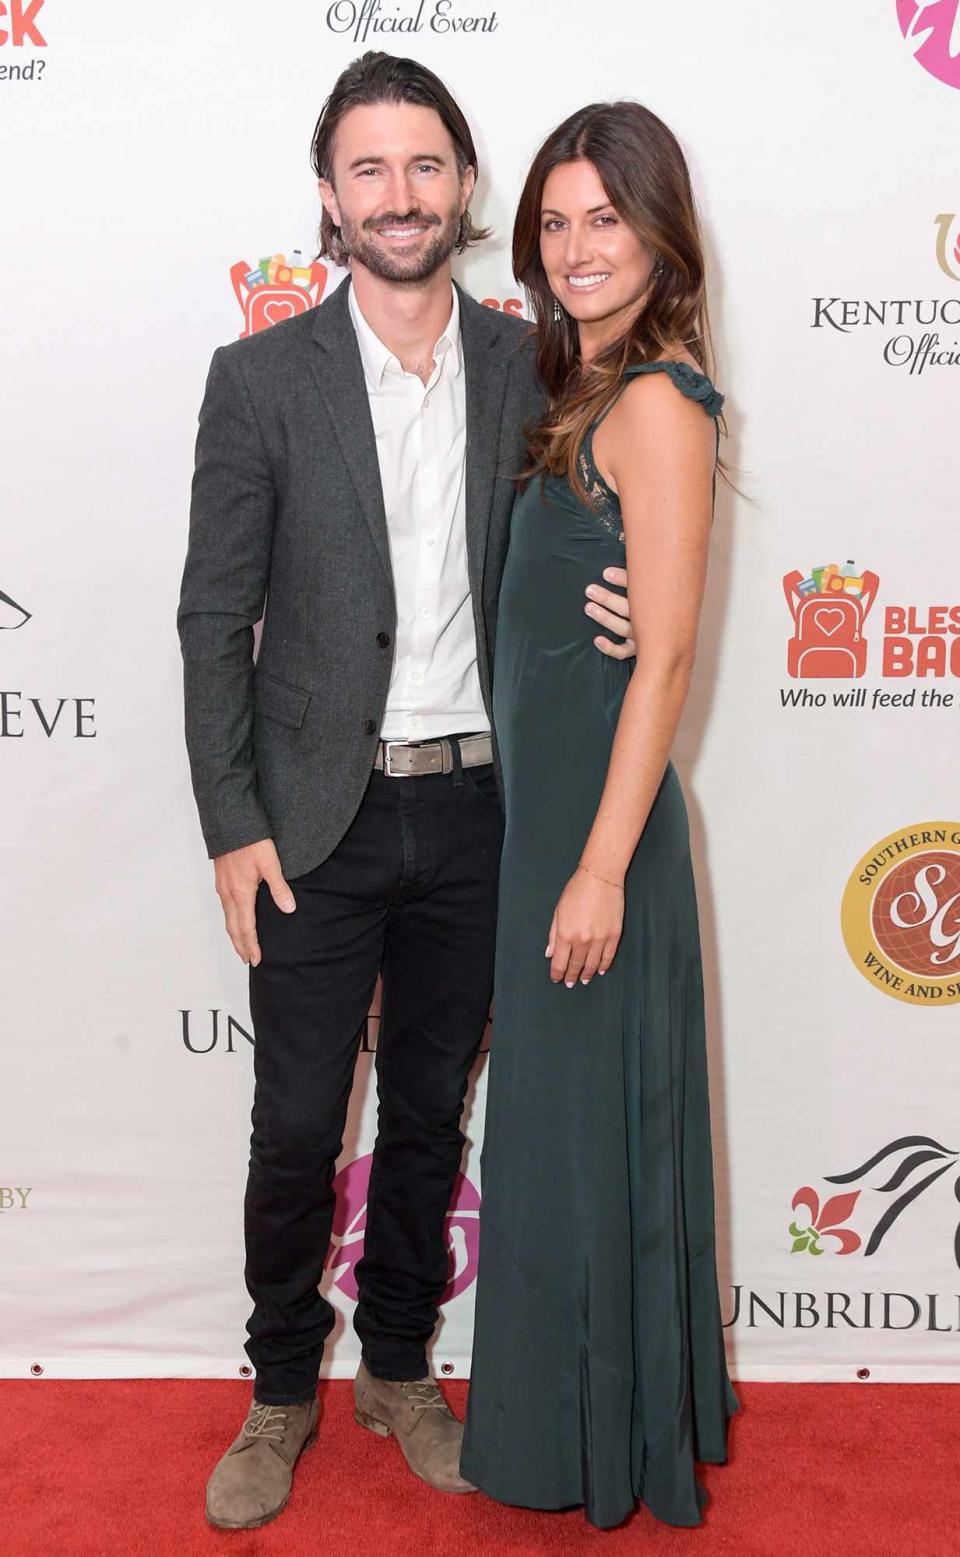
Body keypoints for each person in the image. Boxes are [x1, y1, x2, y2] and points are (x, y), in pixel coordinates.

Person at [177, 52, 636, 1532]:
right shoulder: (259, 381)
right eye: (368, 169)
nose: (399, 195)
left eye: (425, 166)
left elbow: (592, 536)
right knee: (298, 1123)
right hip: (316, 816)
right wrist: (234, 823)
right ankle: (276, 1388)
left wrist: (633, 601)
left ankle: (394, 1367)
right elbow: (211, 620)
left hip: (484, 809)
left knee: (433, 1108)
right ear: (328, 196)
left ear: (463, 186)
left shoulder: (532, 366)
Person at [460, 101, 740, 1530]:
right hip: (553, 825)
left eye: (604, 219)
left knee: (580, 1139)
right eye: (556, 221)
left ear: (659, 231)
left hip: (596, 842)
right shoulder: (586, 385)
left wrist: (601, 867)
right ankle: (582, 1420)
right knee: (563, 1140)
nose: (576, 247)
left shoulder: (653, 403)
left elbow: (673, 653)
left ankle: (589, 1439)